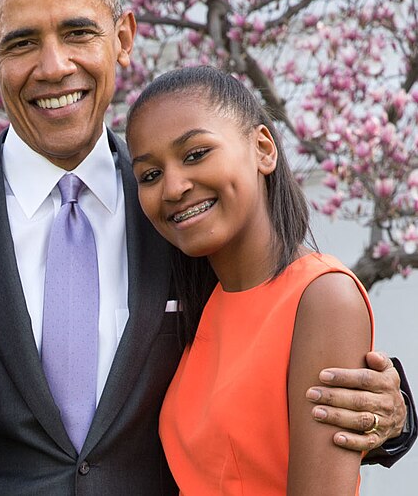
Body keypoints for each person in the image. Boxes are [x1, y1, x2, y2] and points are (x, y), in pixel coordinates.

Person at [0, 0, 413, 494]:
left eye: (78, 33)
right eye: (22, 43)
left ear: (122, 38)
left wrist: (393, 415)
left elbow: (272, 325)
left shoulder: (183, 208)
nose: (54, 66)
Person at [125, 65, 374, 493]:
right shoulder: (203, 305)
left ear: (263, 148)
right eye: (150, 175)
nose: (173, 187)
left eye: (195, 154)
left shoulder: (323, 297)